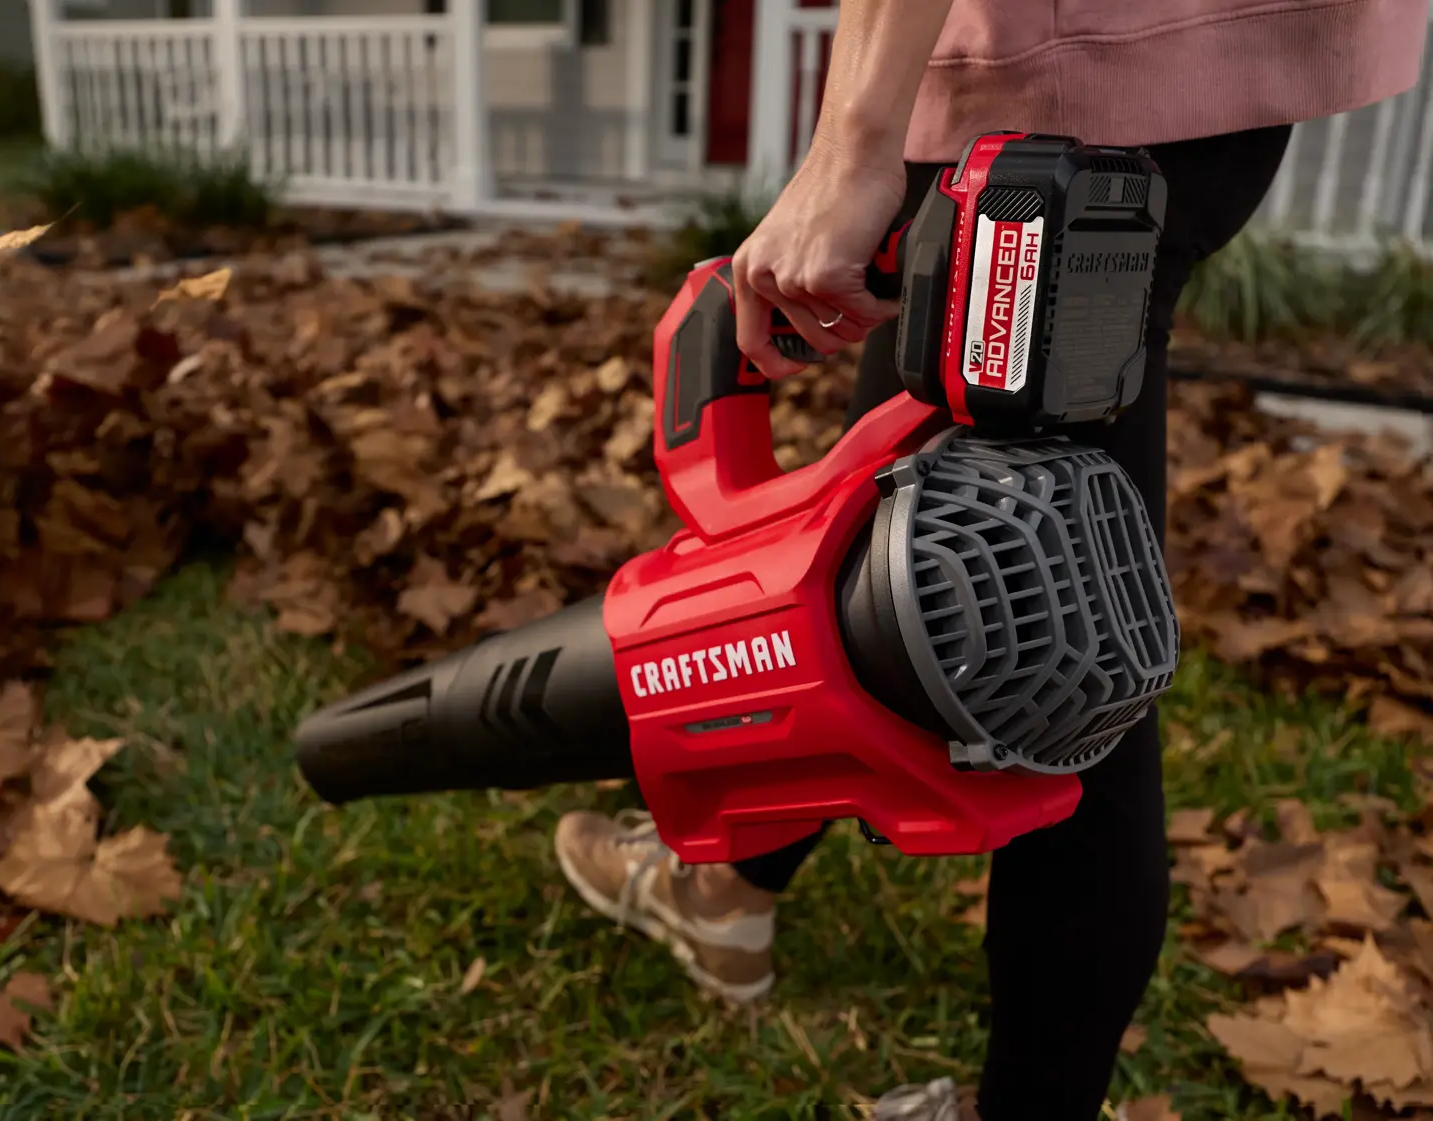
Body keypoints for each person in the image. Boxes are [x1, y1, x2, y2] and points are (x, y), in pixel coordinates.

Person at [552, 0, 1430, 1117]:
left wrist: (851, 142)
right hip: (1195, 70)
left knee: (1042, 635)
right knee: (951, 576)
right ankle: (729, 882)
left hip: (1057, 70)